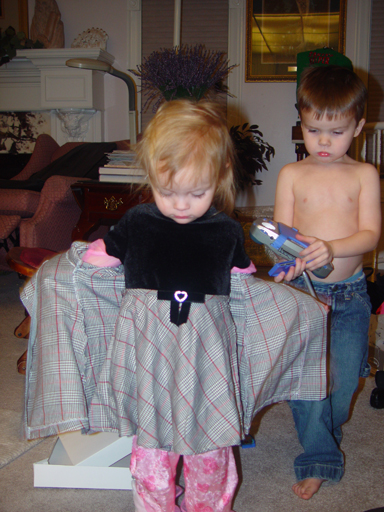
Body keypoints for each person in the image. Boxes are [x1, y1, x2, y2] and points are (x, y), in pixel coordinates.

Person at [83, 99, 254, 512]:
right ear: (150, 178)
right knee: (152, 452)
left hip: (205, 357)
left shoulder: (227, 231)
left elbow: (246, 282)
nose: (181, 204)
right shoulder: (137, 221)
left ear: (220, 177)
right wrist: (84, 262)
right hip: (151, 356)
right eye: (168, 192)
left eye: (196, 193)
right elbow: (100, 256)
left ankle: (207, 506)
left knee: (209, 448)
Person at [273, 65, 382, 500]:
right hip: (304, 294)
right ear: (301, 121)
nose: (322, 141)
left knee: (344, 382)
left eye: (335, 132)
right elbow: (282, 236)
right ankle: (319, 455)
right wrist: (287, 263)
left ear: (358, 126)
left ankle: (320, 425)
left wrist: (332, 248)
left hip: (351, 293)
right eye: (313, 128)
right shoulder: (291, 175)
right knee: (309, 380)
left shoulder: (364, 175)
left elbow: (371, 234)